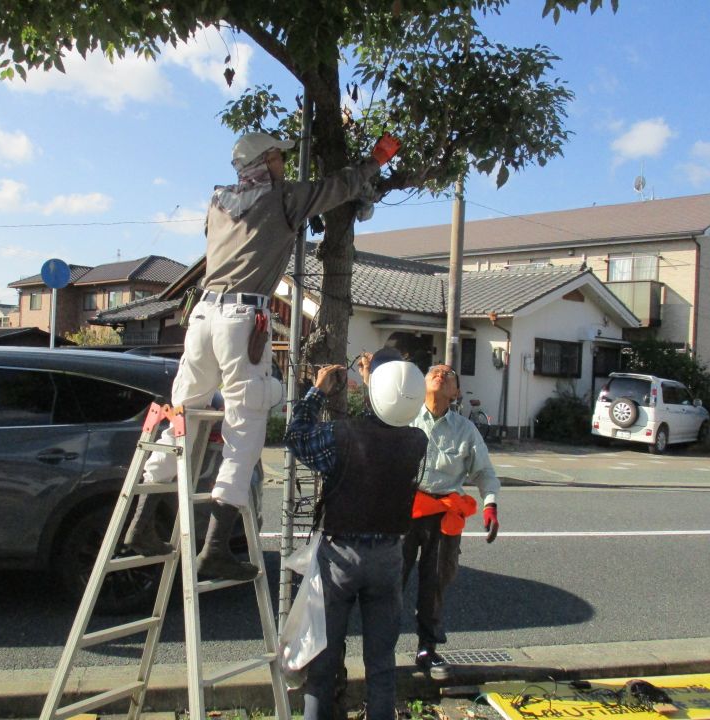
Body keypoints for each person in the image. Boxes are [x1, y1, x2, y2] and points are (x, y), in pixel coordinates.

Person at [125, 131, 400, 581]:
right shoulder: (283, 198)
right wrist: (375, 161)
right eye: (277, 157)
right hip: (240, 319)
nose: (282, 164)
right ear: (262, 161)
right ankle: (214, 549)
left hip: (201, 317)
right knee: (245, 429)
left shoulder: (217, 203)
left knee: (182, 417)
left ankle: (140, 524)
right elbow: (337, 187)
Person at [285, 354, 428, 720]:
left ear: (374, 393)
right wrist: (373, 383)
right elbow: (391, 412)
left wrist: (317, 392)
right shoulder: (417, 440)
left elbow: (296, 436)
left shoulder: (342, 435)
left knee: (322, 663)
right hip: (389, 556)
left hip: (340, 556)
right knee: (381, 665)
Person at [404, 363, 501, 681]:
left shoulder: (465, 429)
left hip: (445, 513)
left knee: (435, 582)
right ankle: (381, 645)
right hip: (406, 510)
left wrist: (490, 505)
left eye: (448, 374)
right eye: (434, 371)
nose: (441, 373)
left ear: (456, 391)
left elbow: (484, 472)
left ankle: (427, 649)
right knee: (389, 580)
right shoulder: (405, 418)